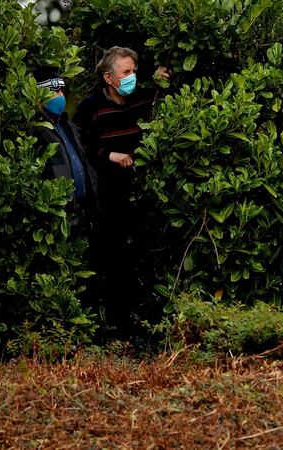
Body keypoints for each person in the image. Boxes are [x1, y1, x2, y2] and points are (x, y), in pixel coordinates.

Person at [72, 47, 170, 336]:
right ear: (108, 77)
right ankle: (114, 327)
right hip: (106, 197)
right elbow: (78, 147)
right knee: (110, 259)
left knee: (138, 257)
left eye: (134, 71)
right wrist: (108, 155)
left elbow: (155, 94)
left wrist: (159, 79)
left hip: (139, 193)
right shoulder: (91, 107)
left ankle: (141, 323)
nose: (131, 77)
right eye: (126, 73)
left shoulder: (138, 99)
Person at [33, 66, 98, 232]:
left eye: (61, 91)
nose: (60, 96)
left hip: (83, 210)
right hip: (60, 216)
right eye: (54, 92)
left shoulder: (65, 123)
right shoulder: (36, 130)